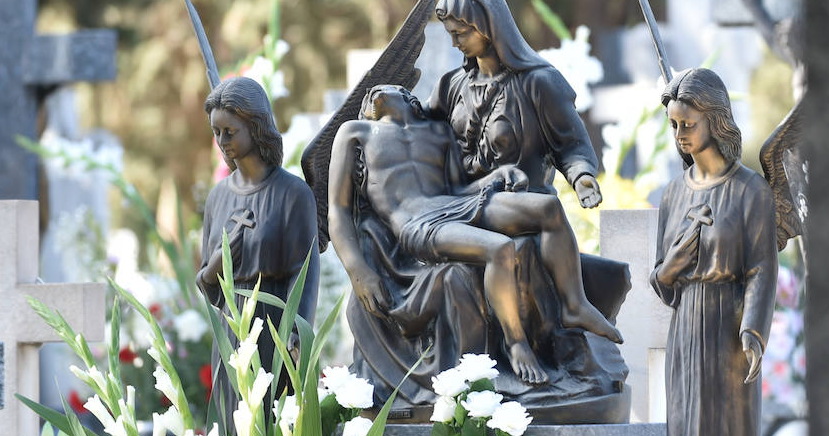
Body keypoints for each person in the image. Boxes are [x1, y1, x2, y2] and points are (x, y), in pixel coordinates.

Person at [326, 84, 620, 385]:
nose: (373, 92)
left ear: (409, 97)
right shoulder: (354, 132)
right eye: (369, 95)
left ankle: (575, 304)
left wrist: (495, 177)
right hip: (418, 223)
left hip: (456, 204)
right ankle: (516, 343)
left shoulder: (436, 133)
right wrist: (357, 269)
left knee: (548, 207)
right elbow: (337, 209)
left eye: (383, 88)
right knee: (500, 248)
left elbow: (457, 189)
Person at [643, 67, 778, 436]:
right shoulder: (674, 193)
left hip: (728, 337)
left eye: (689, 124)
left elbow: (762, 267)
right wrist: (672, 264)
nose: (680, 136)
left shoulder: (750, 190)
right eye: (674, 126)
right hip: (686, 336)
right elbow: (660, 281)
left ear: (715, 121)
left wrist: (752, 333)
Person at [197, 77, 318, 414]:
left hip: (274, 327)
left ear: (255, 124)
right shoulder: (218, 197)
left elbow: (304, 272)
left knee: (273, 435)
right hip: (231, 334)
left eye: (230, 131)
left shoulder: (292, 194)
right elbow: (206, 283)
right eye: (216, 132)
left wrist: (298, 333)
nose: (222, 142)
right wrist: (216, 266)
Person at [427, 0, 604, 207]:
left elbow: (572, 144)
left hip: (521, 207)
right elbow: (417, 121)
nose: (454, 43)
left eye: (460, 34)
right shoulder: (451, 86)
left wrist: (582, 177)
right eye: (450, 34)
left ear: (485, 26)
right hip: (459, 205)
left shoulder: (539, 82)